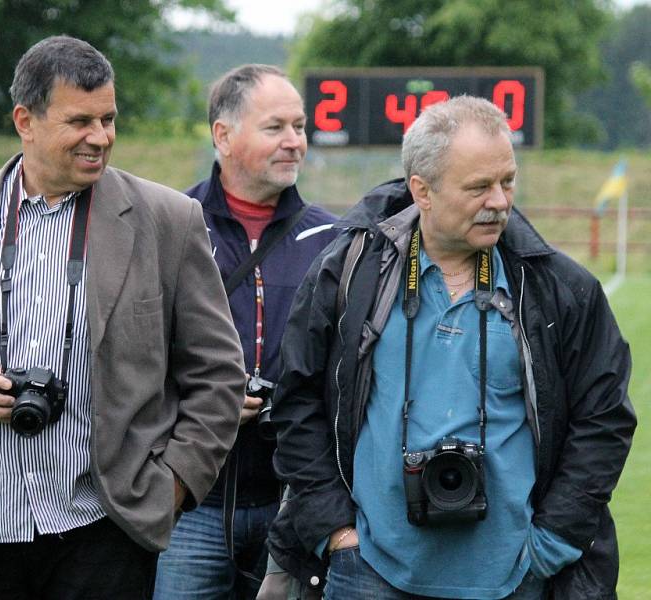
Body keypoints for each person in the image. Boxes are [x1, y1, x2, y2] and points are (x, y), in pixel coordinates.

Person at [0, 35, 247, 600]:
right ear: (25, 120)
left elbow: (218, 375)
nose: (100, 138)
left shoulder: (169, 221)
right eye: (80, 121)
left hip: (107, 531)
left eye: (109, 119)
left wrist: (170, 487)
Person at [266, 96, 636, 599]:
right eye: (479, 187)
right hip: (370, 571)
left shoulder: (559, 289)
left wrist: (550, 544)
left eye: (507, 181)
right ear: (423, 191)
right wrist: (337, 534)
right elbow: (297, 402)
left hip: (514, 576)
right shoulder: (348, 274)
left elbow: (604, 420)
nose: (501, 202)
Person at [153, 64, 337, 600]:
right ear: (223, 135)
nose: (294, 142)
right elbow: (128, 354)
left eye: (300, 127)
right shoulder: (167, 226)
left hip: (295, 502)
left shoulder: (335, 237)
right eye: (275, 127)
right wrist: (203, 403)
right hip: (191, 504)